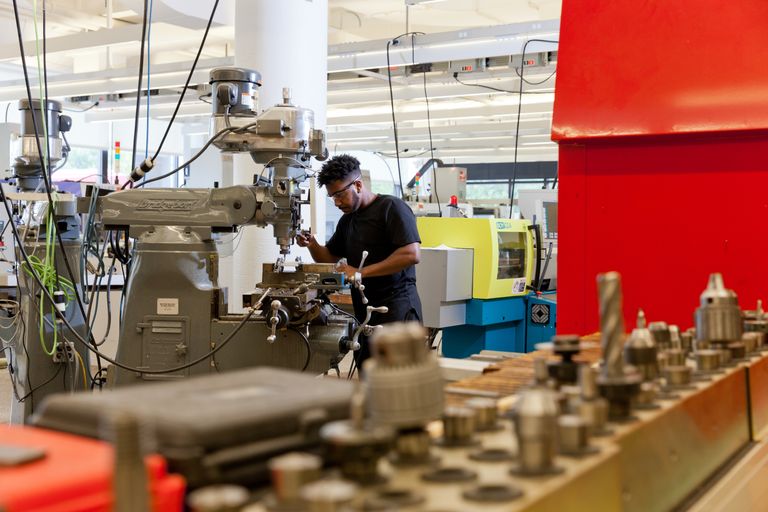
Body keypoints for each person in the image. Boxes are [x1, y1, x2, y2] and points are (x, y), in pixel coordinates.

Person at [296, 154, 422, 370]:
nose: (336, 202)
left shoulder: (392, 208)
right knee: (368, 377)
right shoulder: (348, 221)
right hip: (365, 313)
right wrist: (312, 244)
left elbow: (411, 254)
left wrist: (360, 272)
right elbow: (330, 258)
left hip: (396, 310)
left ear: (358, 184)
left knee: (397, 381)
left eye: (339, 194)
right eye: (332, 197)